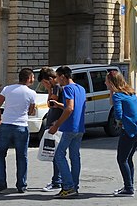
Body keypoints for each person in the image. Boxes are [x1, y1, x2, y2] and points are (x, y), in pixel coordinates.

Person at [0, 67, 37, 194]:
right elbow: (31, 111)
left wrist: (0, 118)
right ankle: (21, 184)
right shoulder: (31, 93)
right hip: (21, 126)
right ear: (28, 78)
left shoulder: (7, 89)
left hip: (6, 125)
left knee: (0, 154)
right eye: (33, 77)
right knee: (22, 156)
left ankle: (1, 183)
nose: (33, 79)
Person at [106, 70, 137, 196]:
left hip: (130, 131)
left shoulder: (117, 96)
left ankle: (128, 188)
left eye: (106, 81)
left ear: (111, 82)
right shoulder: (130, 92)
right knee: (128, 158)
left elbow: (118, 115)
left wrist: (120, 124)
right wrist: (111, 91)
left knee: (121, 159)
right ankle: (130, 185)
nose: (104, 82)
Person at [47, 65, 86, 198]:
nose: (57, 80)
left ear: (63, 76)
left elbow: (69, 109)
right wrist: (59, 105)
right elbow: (73, 106)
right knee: (75, 157)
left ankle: (68, 186)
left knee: (59, 155)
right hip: (79, 127)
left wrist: (56, 125)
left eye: (57, 77)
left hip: (69, 127)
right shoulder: (80, 88)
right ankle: (74, 186)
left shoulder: (67, 88)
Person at [38, 67, 64, 192]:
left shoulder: (56, 88)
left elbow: (50, 102)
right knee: (57, 154)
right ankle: (58, 179)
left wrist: (49, 90)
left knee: (56, 154)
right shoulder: (58, 87)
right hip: (56, 122)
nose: (43, 85)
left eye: (43, 82)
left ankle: (57, 181)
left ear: (48, 80)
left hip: (56, 123)